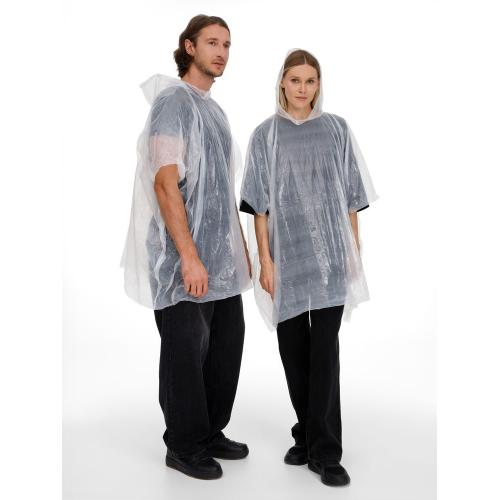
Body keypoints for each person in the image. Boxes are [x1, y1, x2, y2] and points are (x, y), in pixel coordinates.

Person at [121, 15, 252, 480]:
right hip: (181, 256)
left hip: (221, 259)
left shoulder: (214, 112)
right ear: (189, 47)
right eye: (212, 42)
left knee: (226, 343)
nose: (221, 52)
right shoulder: (173, 103)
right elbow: (165, 182)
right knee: (185, 349)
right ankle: (183, 444)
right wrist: (189, 256)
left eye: (227, 45)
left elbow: (220, 188)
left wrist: (239, 249)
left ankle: (210, 430)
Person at [239, 49, 378, 487]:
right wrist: (266, 261)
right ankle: (306, 433)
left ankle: (327, 452)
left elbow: (352, 196)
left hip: (332, 258)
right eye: (295, 80)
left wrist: (353, 251)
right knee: (294, 352)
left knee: (324, 354)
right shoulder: (265, 135)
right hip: (288, 261)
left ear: (319, 85)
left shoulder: (336, 129)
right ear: (282, 82)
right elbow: (258, 206)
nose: (303, 89)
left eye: (311, 81)